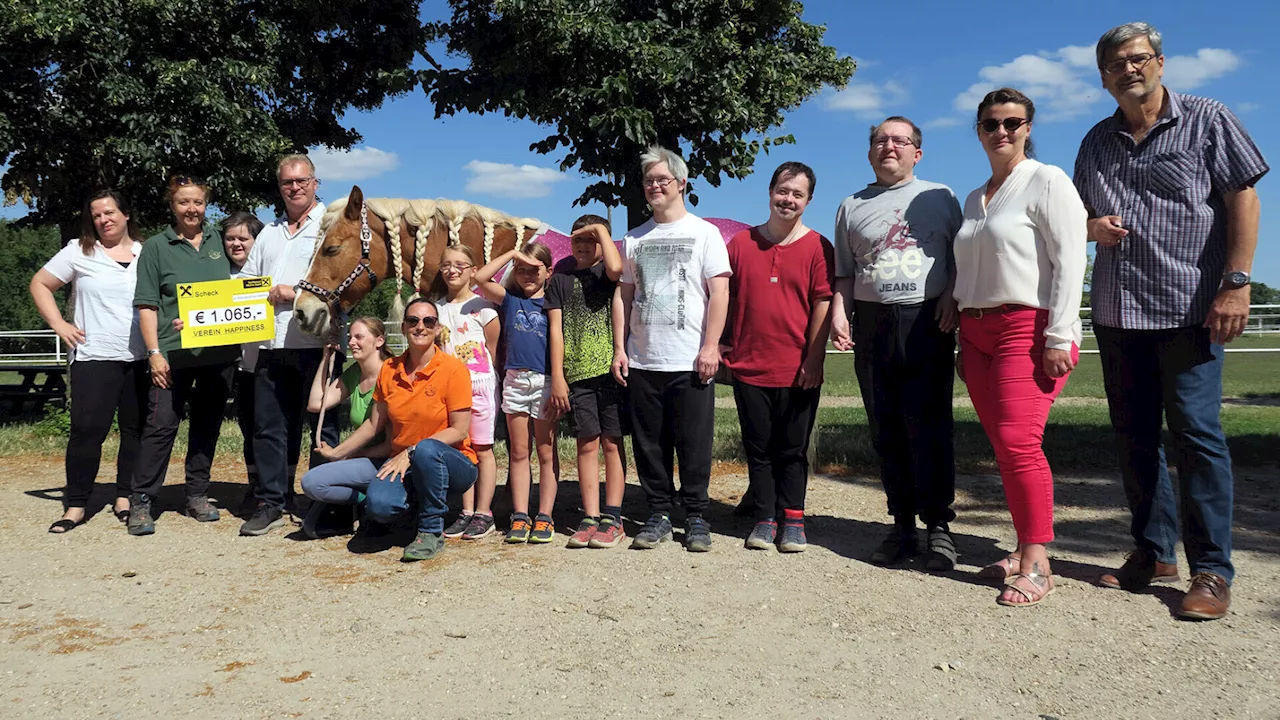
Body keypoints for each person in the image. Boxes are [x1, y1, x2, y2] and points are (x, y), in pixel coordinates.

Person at [1074, 22, 1268, 620]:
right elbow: (1072, 216)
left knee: (1197, 437)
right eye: (1114, 65)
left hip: (1189, 309)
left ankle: (1211, 570)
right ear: (1103, 78)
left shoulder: (1208, 118)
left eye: (1137, 59)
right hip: (1117, 311)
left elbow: (1244, 197)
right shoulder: (1096, 141)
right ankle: (1153, 553)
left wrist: (1235, 283)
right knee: (1134, 439)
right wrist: (1090, 228)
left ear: (1159, 62)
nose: (1127, 70)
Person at [953, 88, 1087, 607]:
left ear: (1028, 126)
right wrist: (964, 336)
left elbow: (1070, 261)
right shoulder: (974, 198)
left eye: (1013, 122)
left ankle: (1037, 560)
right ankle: (1021, 546)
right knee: (1004, 447)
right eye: (991, 123)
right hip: (977, 329)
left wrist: (1060, 334)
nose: (1001, 131)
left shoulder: (1047, 180)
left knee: (1018, 441)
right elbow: (970, 268)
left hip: (1026, 327)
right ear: (979, 130)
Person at [828, 117, 964, 569]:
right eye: (881, 140)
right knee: (885, 427)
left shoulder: (941, 197)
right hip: (873, 322)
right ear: (870, 152)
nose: (890, 146)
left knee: (930, 425)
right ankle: (901, 523)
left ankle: (938, 526)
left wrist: (950, 296)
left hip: (928, 320)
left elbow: (961, 259)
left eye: (900, 140)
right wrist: (838, 314)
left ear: (916, 153)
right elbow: (845, 274)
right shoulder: (851, 205)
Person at [613, 145, 731, 552]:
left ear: (681, 183)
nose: (655, 186)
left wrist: (711, 346)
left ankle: (697, 516)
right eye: (649, 181)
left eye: (663, 180)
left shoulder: (705, 233)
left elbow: (719, 292)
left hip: (690, 357)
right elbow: (623, 296)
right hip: (644, 357)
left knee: (694, 442)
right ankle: (658, 512)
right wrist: (620, 348)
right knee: (649, 444)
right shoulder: (633, 238)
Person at [305, 298, 478, 561]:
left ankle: (431, 531)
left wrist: (410, 451)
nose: (420, 327)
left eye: (428, 321)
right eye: (413, 321)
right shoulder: (390, 369)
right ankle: (405, 508)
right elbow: (373, 424)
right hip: (399, 462)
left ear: (436, 328)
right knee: (338, 490)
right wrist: (339, 453)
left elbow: (459, 430)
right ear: (404, 326)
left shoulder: (453, 370)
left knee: (428, 449)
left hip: (452, 463)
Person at [723, 162, 833, 553]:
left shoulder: (819, 247)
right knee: (758, 447)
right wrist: (721, 341)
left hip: (798, 367)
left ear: (808, 201)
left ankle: (794, 520)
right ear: (770, 192)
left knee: (792, 449)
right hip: (749, 366)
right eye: (782, 191)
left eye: (797, 194)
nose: (788, 199)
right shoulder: (740, 244)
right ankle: (765, 518)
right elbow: (727, 298)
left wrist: (815, 358)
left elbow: (823, 301)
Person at [30, 190, 148, 533]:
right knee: (86, 432)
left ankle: (125, 497)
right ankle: (77, 505)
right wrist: (59, 324)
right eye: (96, 215)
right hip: (94, 354)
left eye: (110, 212)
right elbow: (40, 283)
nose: (103, 220)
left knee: (135, 432)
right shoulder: (79, 251)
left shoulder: (147, 252)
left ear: (125, 214)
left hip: (141, 357)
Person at [129, 175, 239, 536]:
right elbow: (146, 304)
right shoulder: (156, 247)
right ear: (172, 206)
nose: (191, 209)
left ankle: (197, 494)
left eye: (198, 202)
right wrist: (154, 353)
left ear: (206, 205)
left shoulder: (220, 241)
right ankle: (142, 500)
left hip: (218, 352)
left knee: (207, 427)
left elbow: (243, 285)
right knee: (160, 427)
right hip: (172, 355)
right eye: (183, 202)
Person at [239, 154, 340, 537]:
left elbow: (341, 277)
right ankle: (271, 501)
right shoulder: (268, 232)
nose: (294, 187)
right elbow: (246, 284)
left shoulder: (329, 227)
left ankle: (324, 500)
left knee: (322, 427)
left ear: (316, 183)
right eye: (286, 183)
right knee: (269, 428)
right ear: (279, 188)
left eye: (301, 181)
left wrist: (295, 291)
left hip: (317, 341)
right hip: (269, 343)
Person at [546, 214, 628, 549]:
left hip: (611, 373)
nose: (582, 245)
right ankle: (590, 515)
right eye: (577, 239)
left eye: (591, 239)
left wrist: (600, 233)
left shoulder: (609, 275)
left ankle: (613, 516)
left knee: (612, 442)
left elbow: (616, 269)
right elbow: (555, 330)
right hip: (576, 374)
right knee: (586, 443)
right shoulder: (561, 278)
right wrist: (558, 377)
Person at [474, 241, 559, 544]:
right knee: (519, 452)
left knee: (546, 453)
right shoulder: (509, 299)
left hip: (546, 382)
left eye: (534, 269)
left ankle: (545, 516)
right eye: (521, 269)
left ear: (548, 271)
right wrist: (511, 254)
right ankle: (520, 515)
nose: (527, 275)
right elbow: (481, 279)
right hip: (515, 380)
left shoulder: (552, 301)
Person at [299, 316, 394, 539]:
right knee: (313, 484)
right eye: (350, 337)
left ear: (379, 341)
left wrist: (343, 455)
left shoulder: (391, 374)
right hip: (365, 460)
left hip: (388, 460)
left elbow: (389, 444)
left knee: (312, 482)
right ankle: (363, 502)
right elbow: (315, 404)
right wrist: (325, 359)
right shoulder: (355, 373)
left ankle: (369, 502)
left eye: (359, 337)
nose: (352, 342)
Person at [435, 245, 501, 541]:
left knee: (483, 449)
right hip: (451, 389)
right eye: (447, 264)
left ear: (473, 271)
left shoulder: (484, 308)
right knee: (462, 448)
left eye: (460, 265)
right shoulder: (435, 310)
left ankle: (484, 513)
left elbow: (495, 350)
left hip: (480, 386)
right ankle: (466, 509)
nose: (453, 270)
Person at [222, 211, 265, 514]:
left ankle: (275, 487)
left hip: (265, 362)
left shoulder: (267, 273)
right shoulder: (216, 276)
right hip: (233, 367)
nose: (236, 244)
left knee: (270, 429)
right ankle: (254, 485)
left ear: (256, 241)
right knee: (248, 429)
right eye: (230, 238)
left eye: (243, 238)